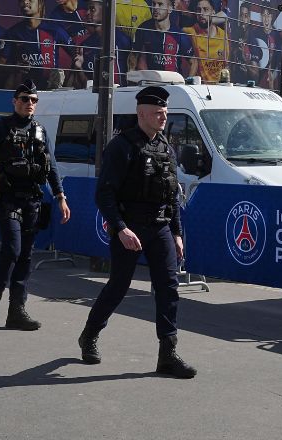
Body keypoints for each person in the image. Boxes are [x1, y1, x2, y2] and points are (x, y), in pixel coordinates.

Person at [77, 86, 195, 379]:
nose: (163, 116)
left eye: (165, 111)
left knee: (168, 287)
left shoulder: (166, 147)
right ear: (141, 113)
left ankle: (167, 354)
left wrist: (177, 233)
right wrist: (120, 228)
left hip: (160, 228)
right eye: (157, 112)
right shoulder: (122, 146)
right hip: (131, 228)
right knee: (118, 287)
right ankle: (89, 335)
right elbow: (104, 194)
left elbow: (172, 195)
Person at [0, 79, 71, 330]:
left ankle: (17, 310)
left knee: (26, 255)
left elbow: (52, 167)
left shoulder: (41, 131)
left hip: (33, 201)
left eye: (34, 100)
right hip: (7, 199)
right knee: (12, 249)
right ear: (14, 101)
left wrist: (60, 197)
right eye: (24, 99)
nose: (29, 103)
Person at [0, 0, 73, 90]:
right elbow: (0, 64)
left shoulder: (54, 29)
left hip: (51, 93)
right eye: (22, 0)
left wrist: (66, 79)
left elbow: (77, 55)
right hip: (27, 92)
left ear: (40, 4)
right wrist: (15, 67)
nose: (26, 2)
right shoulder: (13, 32)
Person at [66, 0, 132, 89]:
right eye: (87, 9)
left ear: (105, 11)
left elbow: (120, 83)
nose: (87, 13)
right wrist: (79, 68)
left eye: (92, 9)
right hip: (90, 98)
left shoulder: (120, 41)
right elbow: (85, 85)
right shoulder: (85, 44)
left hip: (116, 98)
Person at [132, 0, 196, 76]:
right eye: (154, 4)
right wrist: (131, 79)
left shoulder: (179, 35)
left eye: (160, 4)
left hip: (172, 84)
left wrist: (188, 82)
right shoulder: (143, 29)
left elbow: (194, 62)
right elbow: (133, 56)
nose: (155, 7)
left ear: (170, 9)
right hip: (150, 82)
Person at [183, 0, 229, 83]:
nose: (201, 13)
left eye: (206, 9)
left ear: (213, 12)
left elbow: (226, 65)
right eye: (198, 10)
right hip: (201, 88)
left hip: (219, 88)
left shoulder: (223, 35)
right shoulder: (190, 32)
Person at [229, 3, 259, 85]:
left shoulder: (253, 41)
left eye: (245, 16)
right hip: (233, 85)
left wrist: (244, 60)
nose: (243, 19)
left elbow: (256, 76)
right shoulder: (235, 34)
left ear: (249, 18)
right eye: (241, 15)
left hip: (246, 86)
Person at [256, 0, 279, 90]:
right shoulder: (255, 33)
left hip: (273, 77)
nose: (266, 18)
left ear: (271, 17)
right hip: (259, 77)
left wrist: (273, 75)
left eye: (268, 15)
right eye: (264, 15)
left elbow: (280, 61)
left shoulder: (277, 36)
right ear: (261, 17)